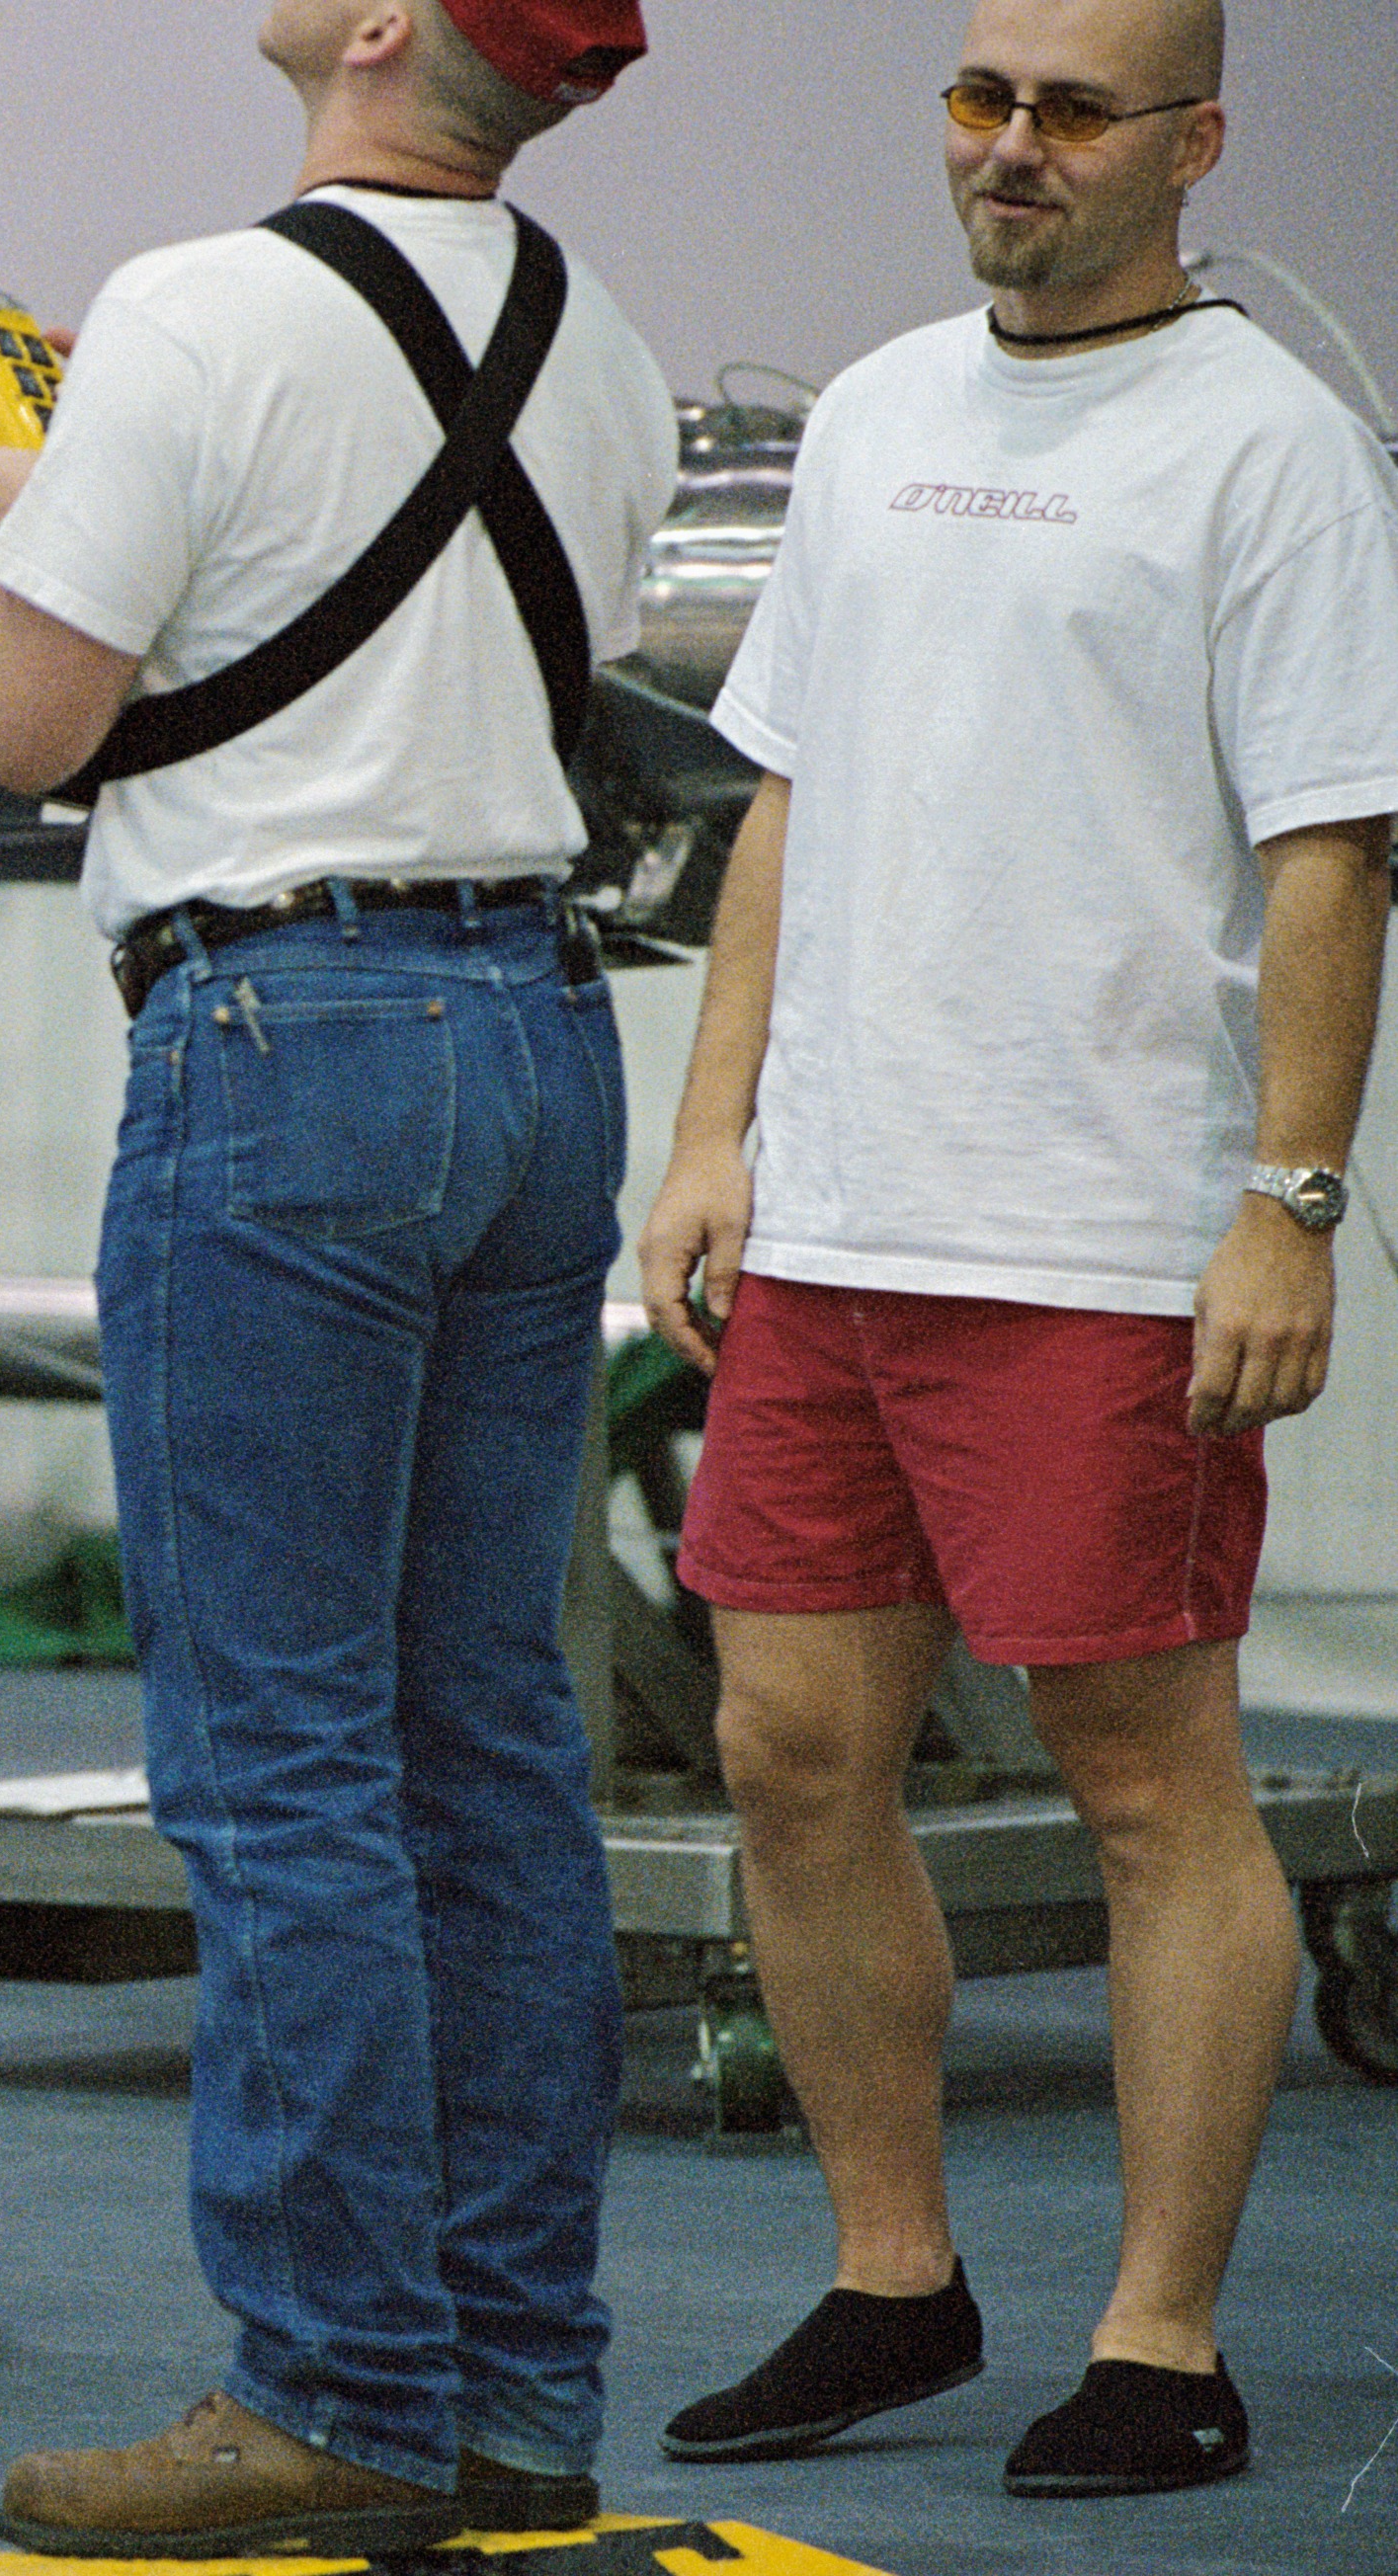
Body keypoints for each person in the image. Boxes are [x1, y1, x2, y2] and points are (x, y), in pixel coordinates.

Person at [636, 0, 1398, 2505]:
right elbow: (782, 801)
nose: (1011, 149)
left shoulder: (1266, 445)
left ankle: (1160, 2333)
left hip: (1097, 1232)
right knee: (784, 1753)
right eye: (978, 98)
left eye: (1071, 111)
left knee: (1144, 1779)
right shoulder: (866, 418)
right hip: (836, 1214)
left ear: (1189, 140)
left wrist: (1284, 1202)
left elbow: (1327, 850)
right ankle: (890, 2275)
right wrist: (711, 1128)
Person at [0, 0, 672, 2556]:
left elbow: (29, 723)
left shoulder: (187, 312)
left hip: (277, 1033)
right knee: (481, 1737)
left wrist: (13, 501)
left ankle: (334, 2382)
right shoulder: (611, 347)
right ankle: (506, 2390)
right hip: (534, 1020)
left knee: (277, 1757)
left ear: (376, 28)